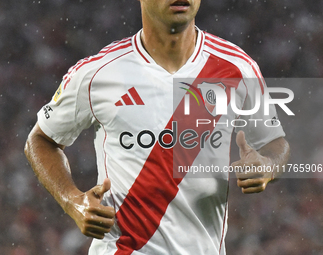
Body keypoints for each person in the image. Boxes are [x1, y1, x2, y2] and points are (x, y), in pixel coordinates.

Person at [25, 0, 290, 254]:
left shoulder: (238, 68)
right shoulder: (97, 73)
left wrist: (268, 164)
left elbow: (275, 143)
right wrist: (72, 201)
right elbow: (40, 139)